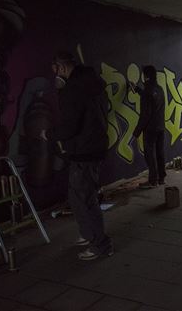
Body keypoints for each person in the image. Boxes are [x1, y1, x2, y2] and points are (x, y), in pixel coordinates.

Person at [44, 51, 112, 261]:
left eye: (54, 70)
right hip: (92, 147)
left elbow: (69, 127)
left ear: (61, 67)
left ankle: (101, 245)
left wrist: (49, 134)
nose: (54, 74)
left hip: (84, 151)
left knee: (85, 198)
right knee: (76, 196)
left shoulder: (73, 89)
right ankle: (87, 233)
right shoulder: (94, 82)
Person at [130, 65, 166, 189]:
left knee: (149, 154)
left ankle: (152, 180)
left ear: (145, 76)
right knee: (159, 152)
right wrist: (138, 90)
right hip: (160, 126)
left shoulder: (147, 91)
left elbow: (145, 114)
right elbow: (153, 100)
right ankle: (161, 178)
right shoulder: (159, 89)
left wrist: (136, 132)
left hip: (150, 129)